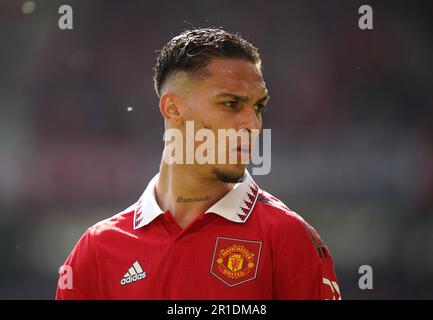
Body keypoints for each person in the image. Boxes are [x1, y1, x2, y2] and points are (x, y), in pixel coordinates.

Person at [56, 28, 341, 300]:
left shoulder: (288, 239)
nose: (253, 125)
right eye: (231, 104)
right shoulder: (96, 252)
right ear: (173, 108)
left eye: (258, 107)